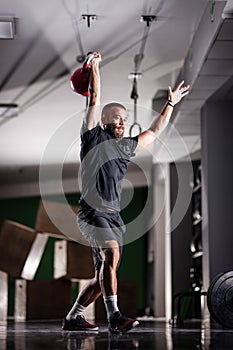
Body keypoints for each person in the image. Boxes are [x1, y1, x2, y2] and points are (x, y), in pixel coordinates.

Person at [62, 52, 190, 333]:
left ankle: (73, 317)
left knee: (102, 278)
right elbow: (95, 97)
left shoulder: (125, 147)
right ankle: (115, 317)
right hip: (92, 213)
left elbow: (155, 132)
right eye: (116, 118)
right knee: (111, 252)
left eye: (124, 119)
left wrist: (170, 104)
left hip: (113, 217)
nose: (121, 122)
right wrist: (95, 66)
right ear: (105, 121)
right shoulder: (92, 137)